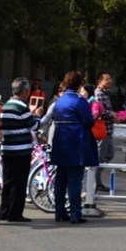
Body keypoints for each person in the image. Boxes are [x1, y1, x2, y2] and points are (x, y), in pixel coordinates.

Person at [48, 70, 97, 224]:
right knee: (75, 180)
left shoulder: (59, 100)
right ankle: (76, 214)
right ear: (79, 84)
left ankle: (59, 212)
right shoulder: (79, 101)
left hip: (60, 142)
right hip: (76, 143)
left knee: (61, 180)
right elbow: (89, 122)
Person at [0, 77, 43, 223]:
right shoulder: (22, 107)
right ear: (25, 91)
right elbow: (34, 125)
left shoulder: (6, 105)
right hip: (21, 150)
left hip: (7, 149)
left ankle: (4, 211)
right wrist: (37, 115)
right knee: (19, 183)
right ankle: (15, 213)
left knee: (8, 182)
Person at [93, 71, 116, 190]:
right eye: (107, 79)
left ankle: (96, 179)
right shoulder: (99, 93)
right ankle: (95, 183)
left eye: (110, 79)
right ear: (100, 81)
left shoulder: (106, 93)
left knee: (110, 154)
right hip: (103, 131)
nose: (110, 81)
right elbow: (100, 112)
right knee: (100, 158)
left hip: (108, 130)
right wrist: (113, 115)